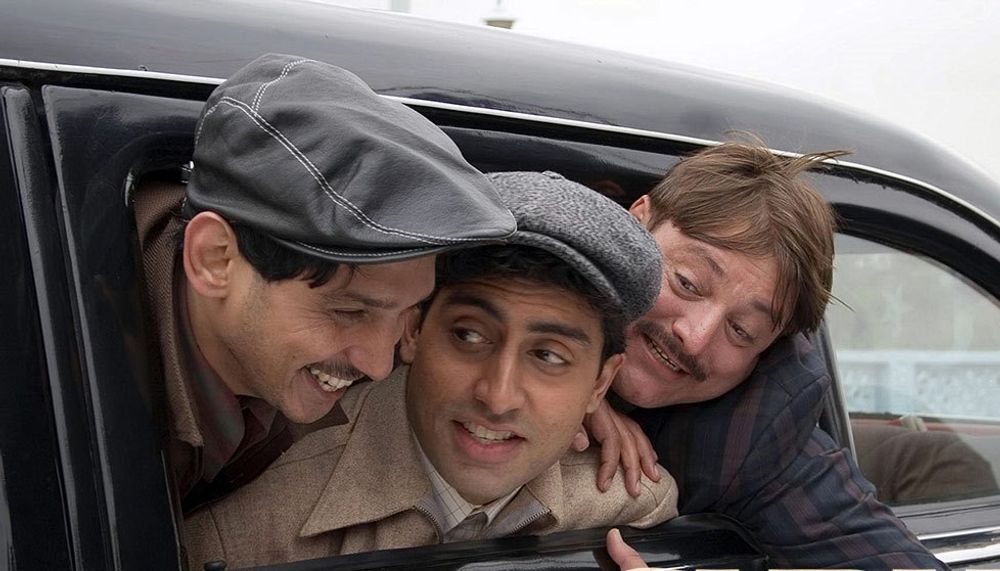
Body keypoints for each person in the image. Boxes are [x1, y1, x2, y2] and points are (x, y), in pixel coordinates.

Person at [182, 171, 678, 569]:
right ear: (413, 330)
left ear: (600, 383)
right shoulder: (244, 530)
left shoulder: (632, 507)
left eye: (548, 356)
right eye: (469, 336)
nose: (498, 396)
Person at [133, 53, 516, 512]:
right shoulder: (72, 394)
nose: (380, 364)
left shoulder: (306, 328)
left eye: (410, 311)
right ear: (215, 259)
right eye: (350, 312)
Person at [589, 142, 947, 569]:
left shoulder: (751, 433)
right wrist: (568, 392)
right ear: (637, 221)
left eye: (742, 330)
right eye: (687, 283)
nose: (695, 338)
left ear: (767, 351)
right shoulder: (524, 264)